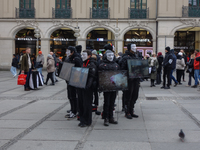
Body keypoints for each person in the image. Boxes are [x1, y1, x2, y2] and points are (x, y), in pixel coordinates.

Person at [99, 50, 119, 126]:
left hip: (114, 86)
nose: (110, 57)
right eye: (109, 55)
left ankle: (111, 117)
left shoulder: (116, 65)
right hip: (106, 86)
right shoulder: (102, 65)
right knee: (107, 102)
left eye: (112, 55)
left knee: (112, 102)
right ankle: (106, 117)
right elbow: (101, 76)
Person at [78, 50, 97, 127]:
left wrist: (88, 86)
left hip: (87, 87)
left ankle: (87, 120)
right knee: (81, 103)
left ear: (89, 56)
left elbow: (92, 76)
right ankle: (82, 119)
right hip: (81, 86)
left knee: (87, 104)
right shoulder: (83, 63)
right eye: (82, 55)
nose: (82, 56)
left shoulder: (91, 64)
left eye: (84, 55)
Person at [120, 43, 139, 119]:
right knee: (128, 96)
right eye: (133, 46)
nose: (135, 47)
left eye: (135, 46)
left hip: (135, 79)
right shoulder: (125, 57)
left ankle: (131, 110)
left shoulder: (136, 56)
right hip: (129, 80)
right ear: (129, 48)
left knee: (135, 95)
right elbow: (123, 69)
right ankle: (127, 111)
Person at [65, 46, 82, 119]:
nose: (67, 52)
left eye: (68, 51)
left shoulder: (76, 59)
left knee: (74, 96)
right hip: (69, 80)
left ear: (72, 52)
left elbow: (79, 70)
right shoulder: (70, 58)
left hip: (74, 81)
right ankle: (73, 109)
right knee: (70, 96)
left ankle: (75, 110)